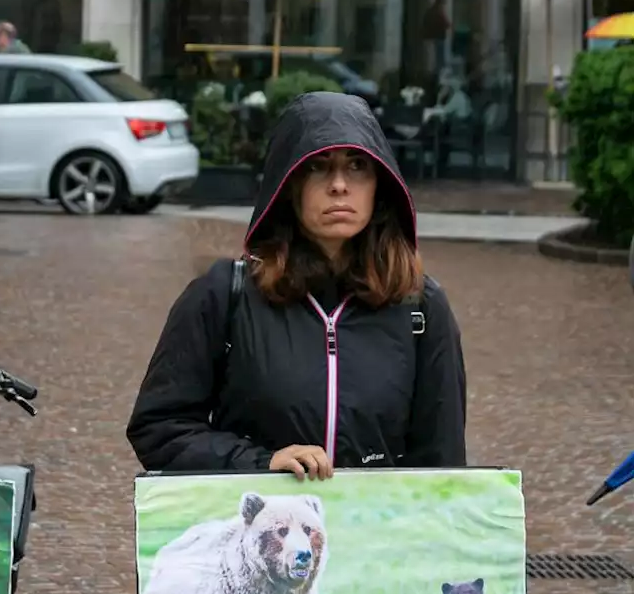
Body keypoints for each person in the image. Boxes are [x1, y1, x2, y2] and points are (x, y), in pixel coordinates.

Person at [127, 91, 466, 479]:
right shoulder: (225, 295)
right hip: (256, 530)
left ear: (379, 184)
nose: (339, 185)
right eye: (318, 167)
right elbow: (159, 428)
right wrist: (260, 463)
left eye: (357, 166)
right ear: (288, 183)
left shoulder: (419, 307)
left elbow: (443, 462)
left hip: (378, 534)